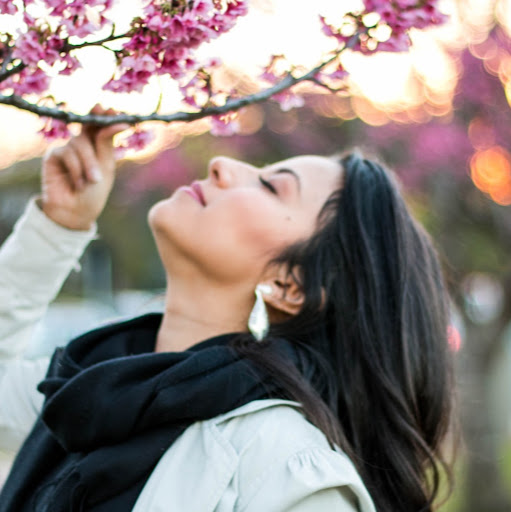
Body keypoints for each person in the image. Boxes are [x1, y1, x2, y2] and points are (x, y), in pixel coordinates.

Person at [0, 108, 455, 512]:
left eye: (271, 186)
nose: (221, 164)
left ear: (288, 284)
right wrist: (58, 226)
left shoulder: (287, 473)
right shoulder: (80, 390)